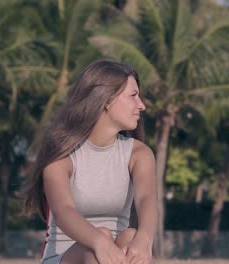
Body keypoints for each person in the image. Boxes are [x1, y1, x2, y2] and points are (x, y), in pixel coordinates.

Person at [21, 60, 158, 264]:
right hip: (64, 257)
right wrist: (99, 241)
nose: (142, 105)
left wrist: (144, 240)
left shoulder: (139, 154)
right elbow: (63, 210)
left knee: (131, 237)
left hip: (115, 254)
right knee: (97, 246)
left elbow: (147, 198)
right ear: (106, 100)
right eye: (133, 96)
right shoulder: (61, 153)